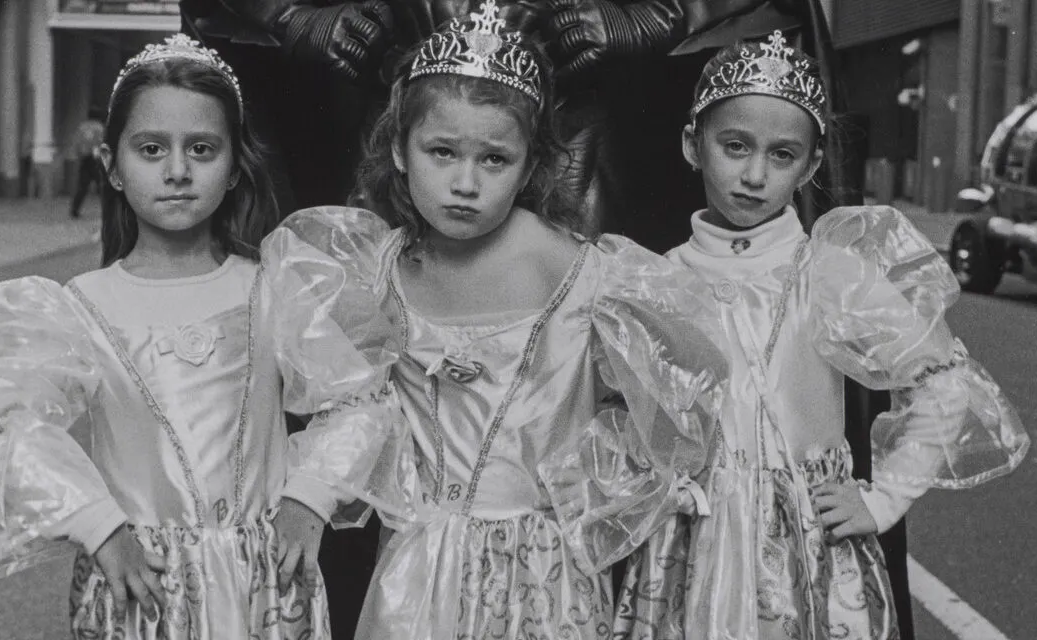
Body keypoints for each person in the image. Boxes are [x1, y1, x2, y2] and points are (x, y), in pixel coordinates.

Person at [270, 4, 730, 637]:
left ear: (531, 165)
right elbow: (359, 410)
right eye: (441, 152)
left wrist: (583, 492)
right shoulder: (374, 271)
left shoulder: (588, 276)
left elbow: (684, 398)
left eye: (494, 160)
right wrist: (309, 497)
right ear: (400, 152)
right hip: (418, 574)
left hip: (545, 578)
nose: (465, 182)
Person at [0, 35, 395, 638]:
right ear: (111, 164)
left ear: (235, 166)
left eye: (202, 149)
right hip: (143, 581)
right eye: (152, 149)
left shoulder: (272, 289)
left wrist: (310, 496)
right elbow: (4, 430)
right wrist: (100, 526)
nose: (178, 170)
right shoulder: (81, 307)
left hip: (263, 586)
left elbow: (360, 402)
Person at [623, 33, 1031, 639]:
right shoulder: (658, 278)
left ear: (811, 165)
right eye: (734, 146)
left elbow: (945, 384)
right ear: (692, 144)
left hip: (803, 552)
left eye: (782, 155)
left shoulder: (829, 272)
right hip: (686, 550)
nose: (754, 174)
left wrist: (884, 498)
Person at [69, 107, 107, 218]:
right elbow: (102, 142)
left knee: (82, 185)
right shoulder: (99, 127)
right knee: (101, 186)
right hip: (95, 159)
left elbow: (77, 142)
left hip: (84, 158)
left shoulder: (82, 127)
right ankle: (108, 209)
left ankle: (75, 209)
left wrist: (78, 154)